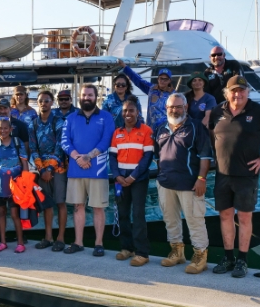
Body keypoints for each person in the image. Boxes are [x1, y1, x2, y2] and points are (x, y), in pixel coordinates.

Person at [209, 75, 260, 278]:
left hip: (247, 176)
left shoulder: (259, 111)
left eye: (242, 90)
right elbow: (212, 135)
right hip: (222, 175)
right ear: (227, 93)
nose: (238, 94)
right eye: (234, 91)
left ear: (247, 92)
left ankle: (242, 261)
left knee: (244, 217)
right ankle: (228, 258)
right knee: (225, 216)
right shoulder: (217, 111)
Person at [153, 93, 212, 274]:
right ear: (166, 109)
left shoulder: (195, 127)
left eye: (178, 106)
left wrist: (201, 179)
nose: (174, 110)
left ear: (185, 107)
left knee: (195, 220)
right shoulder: (161, 128)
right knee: (170, 220)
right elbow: (157, 155)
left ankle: (200, 255)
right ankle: (177, 252)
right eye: (171, 107)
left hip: (190, 184)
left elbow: (205, 155)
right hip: (165, 184)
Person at [61, 84, 115, 256]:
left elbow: (107, 141)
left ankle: (99, 243)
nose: (87, 98)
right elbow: (64, 141)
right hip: (76, 170)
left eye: (90, 95)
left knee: (98, 208)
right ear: (80, 96)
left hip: (97, 171)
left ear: (96, 97)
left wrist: (88, 157)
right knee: (78, 206)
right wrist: (78, 158)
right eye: (84, 95)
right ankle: (78, 242)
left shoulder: (106, 117)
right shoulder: (70, 118)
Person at [109, 95, 153, 266]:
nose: (128, 113)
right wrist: (117, 175)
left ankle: (142, 253)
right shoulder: (117, 132)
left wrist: (133, 176)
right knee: (123, 214)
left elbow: (147, 157)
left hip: (138, 179)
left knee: (138, 215)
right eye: (125, 110)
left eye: (131, 110)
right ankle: (127, 248)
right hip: (121, 178)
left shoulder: (146, 131)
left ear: (137, 112)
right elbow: (112, 157)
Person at [0, 97, 31, 244]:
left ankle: (20, 241)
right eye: (0, 128)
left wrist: (26, 183)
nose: (3, 130)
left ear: (11, 129)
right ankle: (1, 239)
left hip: (16, 186)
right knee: (0, 211)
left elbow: (25, 158)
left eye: (5, 128)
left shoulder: (18, 135)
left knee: (16, 213)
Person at [29, 90, 68, 252]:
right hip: (42, 170)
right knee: (46, 205)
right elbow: (33, 148)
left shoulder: (59, 122)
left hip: (57, 169)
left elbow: (60, 146)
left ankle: (60, 238)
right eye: (41, 101)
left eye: (46, 101)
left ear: (52, 103)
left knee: (60, 203)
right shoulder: (33, 124)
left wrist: (50, 168)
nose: (43, 103)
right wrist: (42, 169)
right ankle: (48, 237)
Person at [117, 59, 174, 131]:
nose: (162, 81)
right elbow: (138, 80)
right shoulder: (151, 89)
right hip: (151, 129)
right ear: (158, 79)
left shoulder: (174, 95)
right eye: (161, 78)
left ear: (170, 80)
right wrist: (125, 67)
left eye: (165, 79)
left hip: (166, 130)